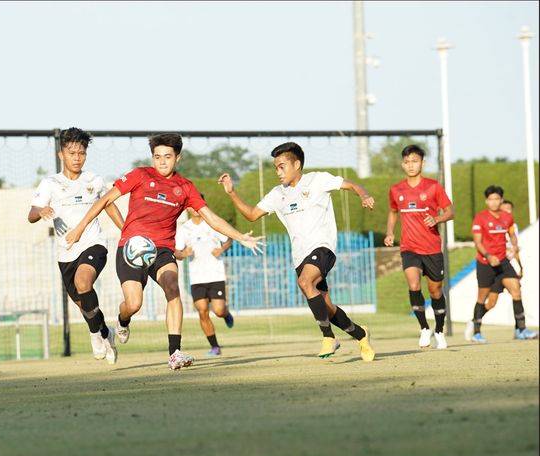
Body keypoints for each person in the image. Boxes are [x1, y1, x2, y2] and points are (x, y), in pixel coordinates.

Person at [66, 133, 264, 370]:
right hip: (132, 248)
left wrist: (240, 236)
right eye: (157, 157)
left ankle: (174, 353)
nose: (161, 162)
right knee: (134, 303)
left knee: (173, 289)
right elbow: (105, 200)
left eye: (167, 157)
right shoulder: (140, 175)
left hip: (162, 250)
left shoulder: (185, 187)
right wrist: (80, 228)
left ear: (177, 158)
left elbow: (211, 218)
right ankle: (122, 320)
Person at [218, 141, 376, 361]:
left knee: (304, 282)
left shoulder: (317, 180)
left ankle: (328, 336)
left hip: (323, 248)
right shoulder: (277, 194)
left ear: (297, 164)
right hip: (299, 256)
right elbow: (252, 214)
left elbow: (350, 184)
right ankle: (361, 334)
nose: (278, 172)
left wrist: (364, 195)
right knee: (327, 307)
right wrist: (232, 192)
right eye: (276, 167)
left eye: (282, 166)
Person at [28, 127, 125, 364]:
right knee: (85, 305)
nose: (77, 157)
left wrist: (127, 230)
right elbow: (31, 214)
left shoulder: (94, 181)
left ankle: (94, 335)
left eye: (81, 153)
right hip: (66, 253)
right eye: (72, 153)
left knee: (84, 282)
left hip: (93, 244)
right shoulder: (50, 183)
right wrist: (42, 211)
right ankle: (105, 332)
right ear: (61, 154)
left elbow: (109, 205)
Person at [384, 144, 455, 349]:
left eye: (415, 161)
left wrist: (437, 219)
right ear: (402, 164)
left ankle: (439, 331)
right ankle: (424, 328)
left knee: (435, 292)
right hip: (409, 247)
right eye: (407, 162)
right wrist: (390, 232)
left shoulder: (433, 187)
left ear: (422, 163)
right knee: (414, 285)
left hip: (432, 248)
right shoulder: (396, 190)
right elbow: (392, 211)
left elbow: (450, 212)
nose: (411, 165)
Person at [466, 186, 537, 343]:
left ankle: (521, 330)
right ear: (486, 201)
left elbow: (512, 235)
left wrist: (516, 252)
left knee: (516, 290)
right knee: (487, 301)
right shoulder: (480, 218)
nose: (494, 202)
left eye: (497, 199)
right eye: (491, 199)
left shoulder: (507, 217)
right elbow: (478, 242)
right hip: (485, 263)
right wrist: (488, 256)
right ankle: (476, 329)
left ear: (501, 200)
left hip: (503, 263)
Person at [175, 196, 234, 356]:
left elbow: (228, 240)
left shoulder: (212, 223)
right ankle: (215, 346)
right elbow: (177, 252)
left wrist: (222, 249)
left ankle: (226, 314)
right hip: (197, 277)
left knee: (218, 310)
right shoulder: (184, 229)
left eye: (196, 205)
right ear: (187, 208)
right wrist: (183, 253)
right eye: (191, 206)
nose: (194, 208)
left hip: (215, 274)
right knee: (202, 311)